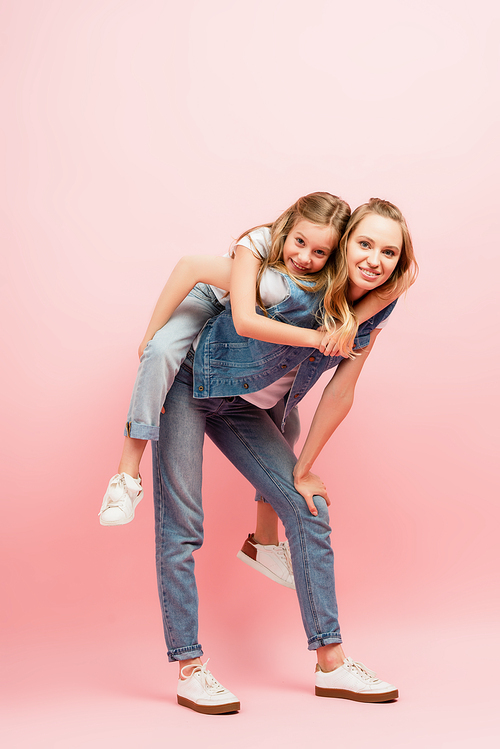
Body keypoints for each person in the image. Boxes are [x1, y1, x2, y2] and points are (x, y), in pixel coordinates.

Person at [151, 198, 418, 713]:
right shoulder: (294, 280)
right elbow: (216, 285)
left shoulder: (374, 304)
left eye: (388, 251)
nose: (375, 259)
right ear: (341, 246)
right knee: (181, 526)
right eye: (364, 244)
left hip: (242, 405)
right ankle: (189, 667)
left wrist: (303, 470)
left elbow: (341, 390)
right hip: (190, 381)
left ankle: (333, 666)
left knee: (309, 507)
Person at [99, 193, 395, 589]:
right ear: (286, 230)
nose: (306, 256)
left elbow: (396, 279)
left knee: (285, 426)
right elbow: (204, 280)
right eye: (300, 243)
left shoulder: (316, 283)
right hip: (209, 302)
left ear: (335, 256)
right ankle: (126, 475)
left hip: (237, 329)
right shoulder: (266, 263)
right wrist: (151, 334)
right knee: (161, 352)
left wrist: (365, 307)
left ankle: (264, 542)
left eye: (321, 251)